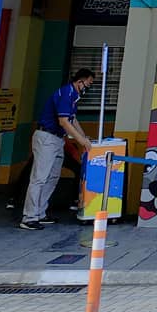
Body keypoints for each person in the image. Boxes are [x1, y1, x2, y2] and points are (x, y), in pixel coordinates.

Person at [20, 69, 94, 230]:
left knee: (52, 177)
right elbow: (64, 122)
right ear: (80, 81)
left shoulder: (73, 97)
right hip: (47, 137)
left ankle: (40, 212)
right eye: (89, 83)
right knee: (40, 177)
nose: (89, 86)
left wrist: (84, 137)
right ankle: (29, 216)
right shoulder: (65, 94)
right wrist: (81, 140)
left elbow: (72, 119)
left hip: (58, 140)